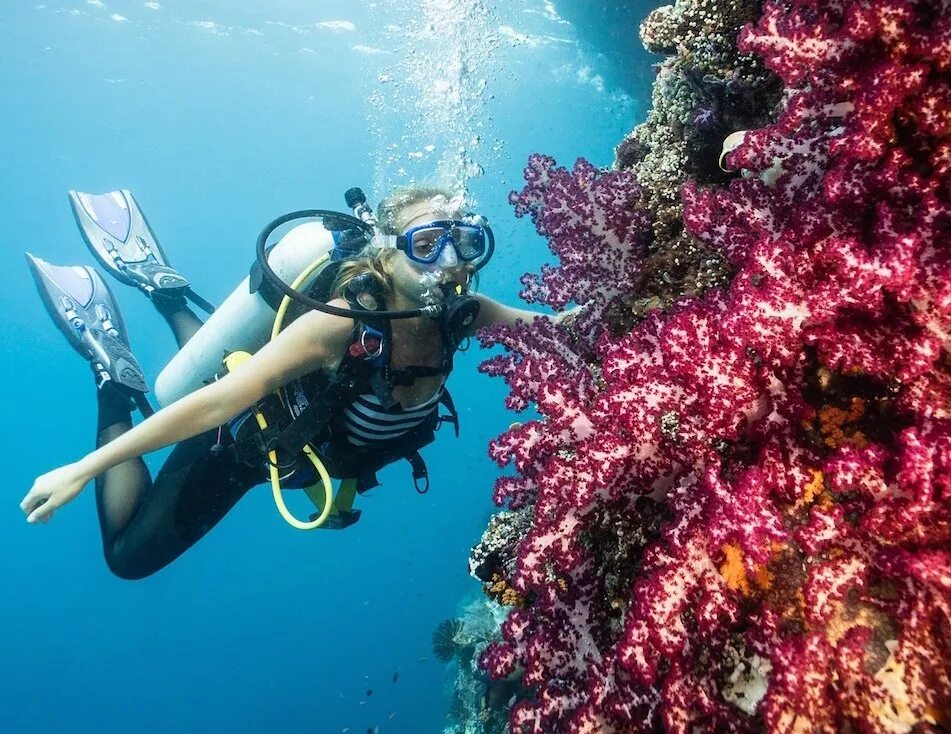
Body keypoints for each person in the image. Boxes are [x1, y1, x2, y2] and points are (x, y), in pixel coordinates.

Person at [20, 185, 552, 579]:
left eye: (465, 242)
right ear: (387, 253)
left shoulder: (463, 314)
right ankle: (113, 383)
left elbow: (558, 328)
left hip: (306, 453)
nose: (450, 263)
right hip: (238, 445)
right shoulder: (342, 325)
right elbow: (218, 403)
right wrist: (81, 470)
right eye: (427, 243)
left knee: (226, 367)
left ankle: (168, 296)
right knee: (127, 559)